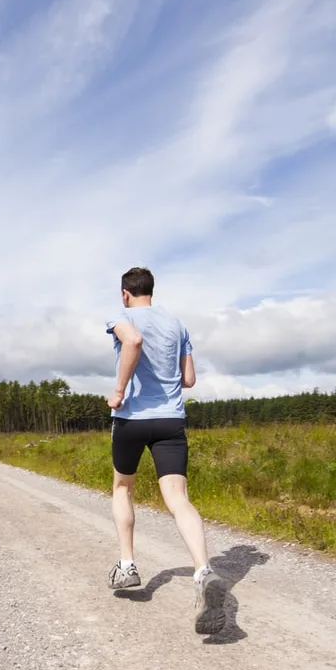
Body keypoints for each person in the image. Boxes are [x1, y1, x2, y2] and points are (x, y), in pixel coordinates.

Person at [105, 267, 223, 634]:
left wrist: (120, 391)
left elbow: (133, 341)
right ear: (150, 291)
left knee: (123, 487)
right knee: (178, 498)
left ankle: (127, 566)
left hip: (132, 419)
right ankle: (203, 570)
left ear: (126, 293)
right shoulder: (177, 324)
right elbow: (188, 379)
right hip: (171, 421)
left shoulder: (120, 316)